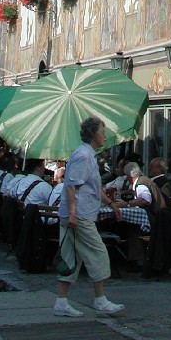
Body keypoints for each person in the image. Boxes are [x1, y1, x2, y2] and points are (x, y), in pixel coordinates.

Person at [54, 116, 124, 316]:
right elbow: (71, 186)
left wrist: (111, 204)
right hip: (80, 215)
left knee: (71, 256)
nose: (104, 136)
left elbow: (92, 186)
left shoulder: (88, 155)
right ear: (94, 134)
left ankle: (61, 302)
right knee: (98, 253)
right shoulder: (84, 156)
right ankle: (100, 300)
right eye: (102, 131)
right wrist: (74, 213)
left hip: (76, 214)